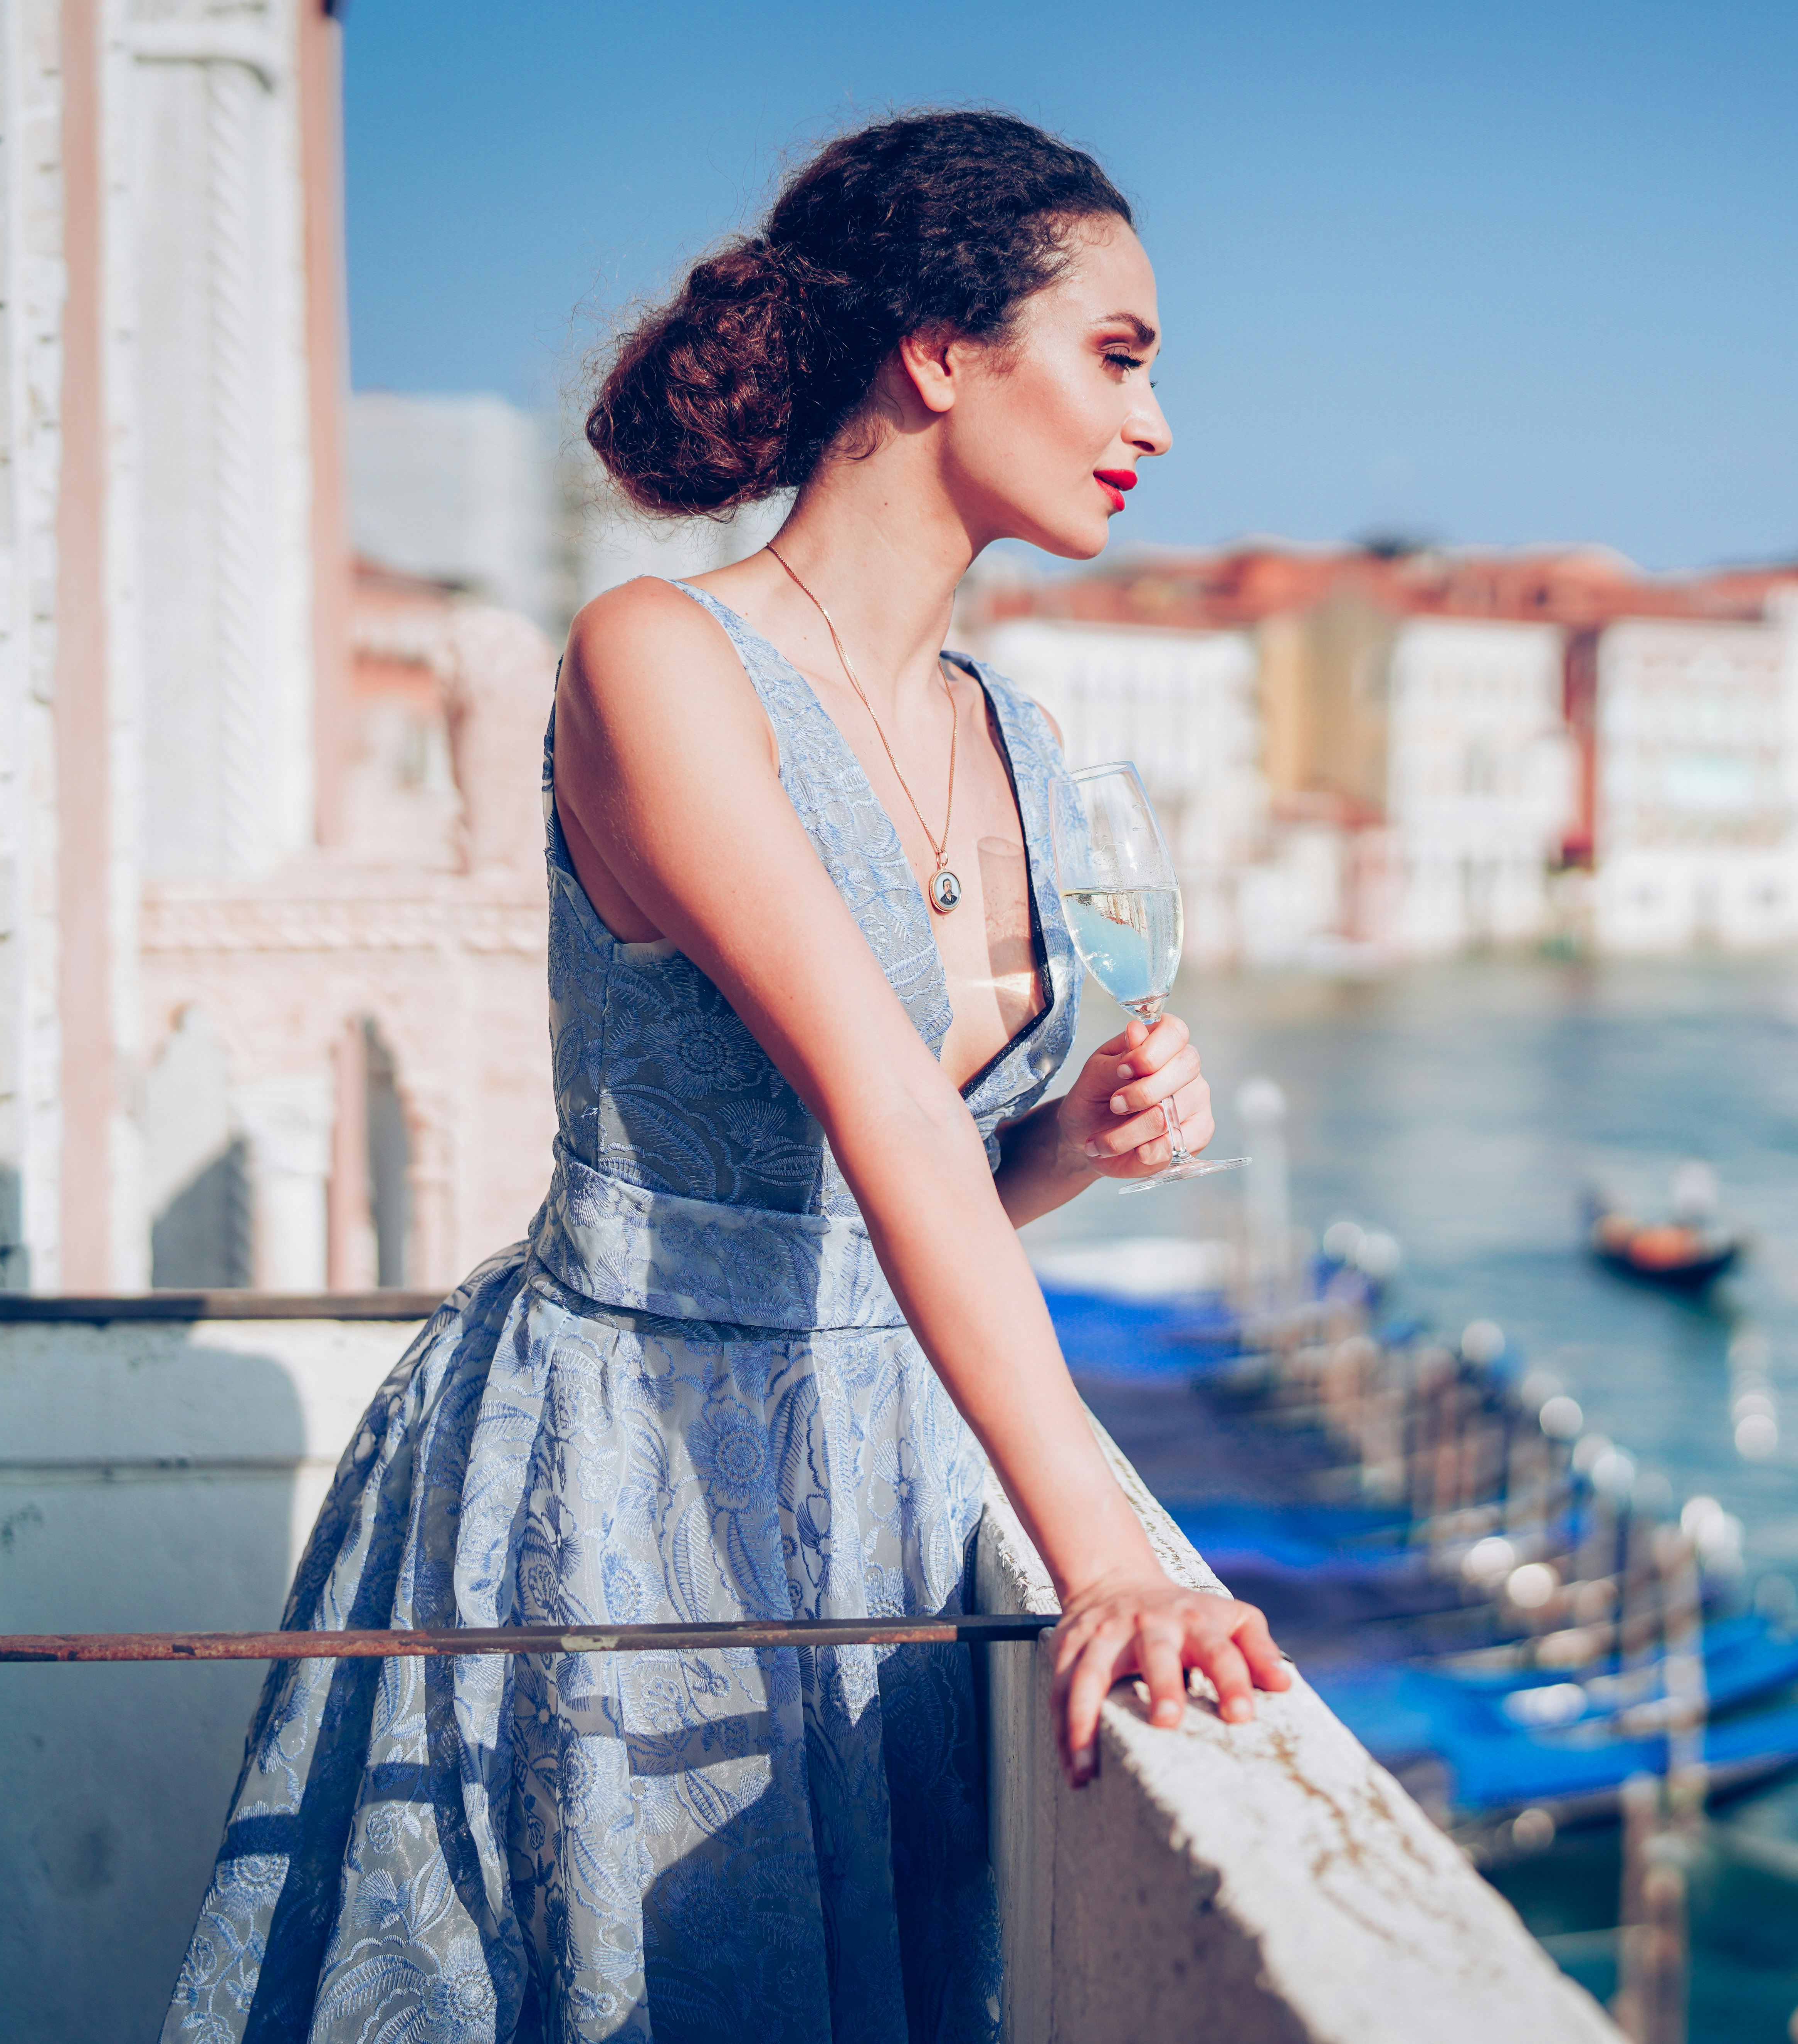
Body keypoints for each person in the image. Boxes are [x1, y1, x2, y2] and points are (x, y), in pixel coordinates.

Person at [163, 110, 1288, 2041]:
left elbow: (884, 1184)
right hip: (633, 1474)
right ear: (941, 352)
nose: (1157, 422)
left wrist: (1067, 1149)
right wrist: (1106, 1554)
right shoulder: (653, 657)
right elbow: (865, 1094)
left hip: (901, 1466)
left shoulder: (1011, 727)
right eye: (1119, 353)